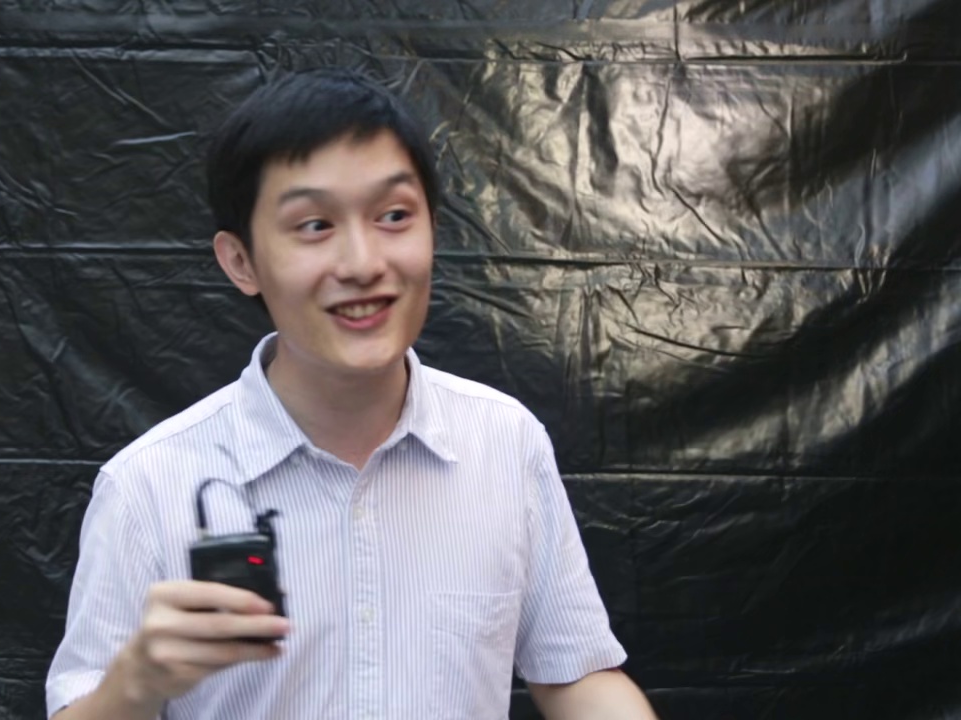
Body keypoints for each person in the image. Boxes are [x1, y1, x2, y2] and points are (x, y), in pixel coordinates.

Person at [46, 68, 657, 720]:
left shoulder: (505, 443)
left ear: (433, 228)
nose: (364, 263)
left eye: (394, 216)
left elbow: (577, 677)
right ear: (241, 262)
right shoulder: (148, 486)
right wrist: (135, 684)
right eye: (314, 225)